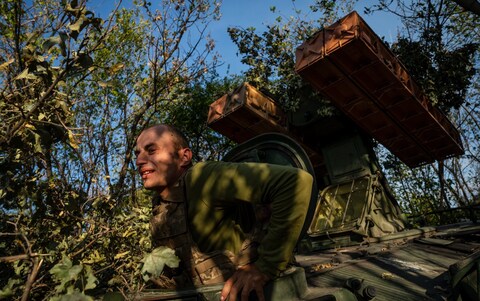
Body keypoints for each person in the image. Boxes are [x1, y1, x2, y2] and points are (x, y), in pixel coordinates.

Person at [135, 124, 314, 301]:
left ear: (184, 157)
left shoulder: (202, 178)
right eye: (138, 154)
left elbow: (296, 182)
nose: (139, 161)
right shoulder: (161, 205)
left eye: (151, 151)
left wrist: (264, 268)